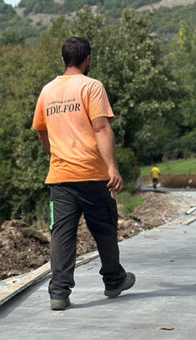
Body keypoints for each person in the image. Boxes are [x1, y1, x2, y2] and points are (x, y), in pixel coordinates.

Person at [32, 37, 135, 310]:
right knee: (104, 228)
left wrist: (58, 154)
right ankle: (114, 280)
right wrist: (112, 167)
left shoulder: (47, 91)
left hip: (60, 177)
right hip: (92, 174)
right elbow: (101, 128)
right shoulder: (92, 87)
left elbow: (42, 131)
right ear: (87, 58)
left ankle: (58, 293)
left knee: (62, 234)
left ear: (62, 59)